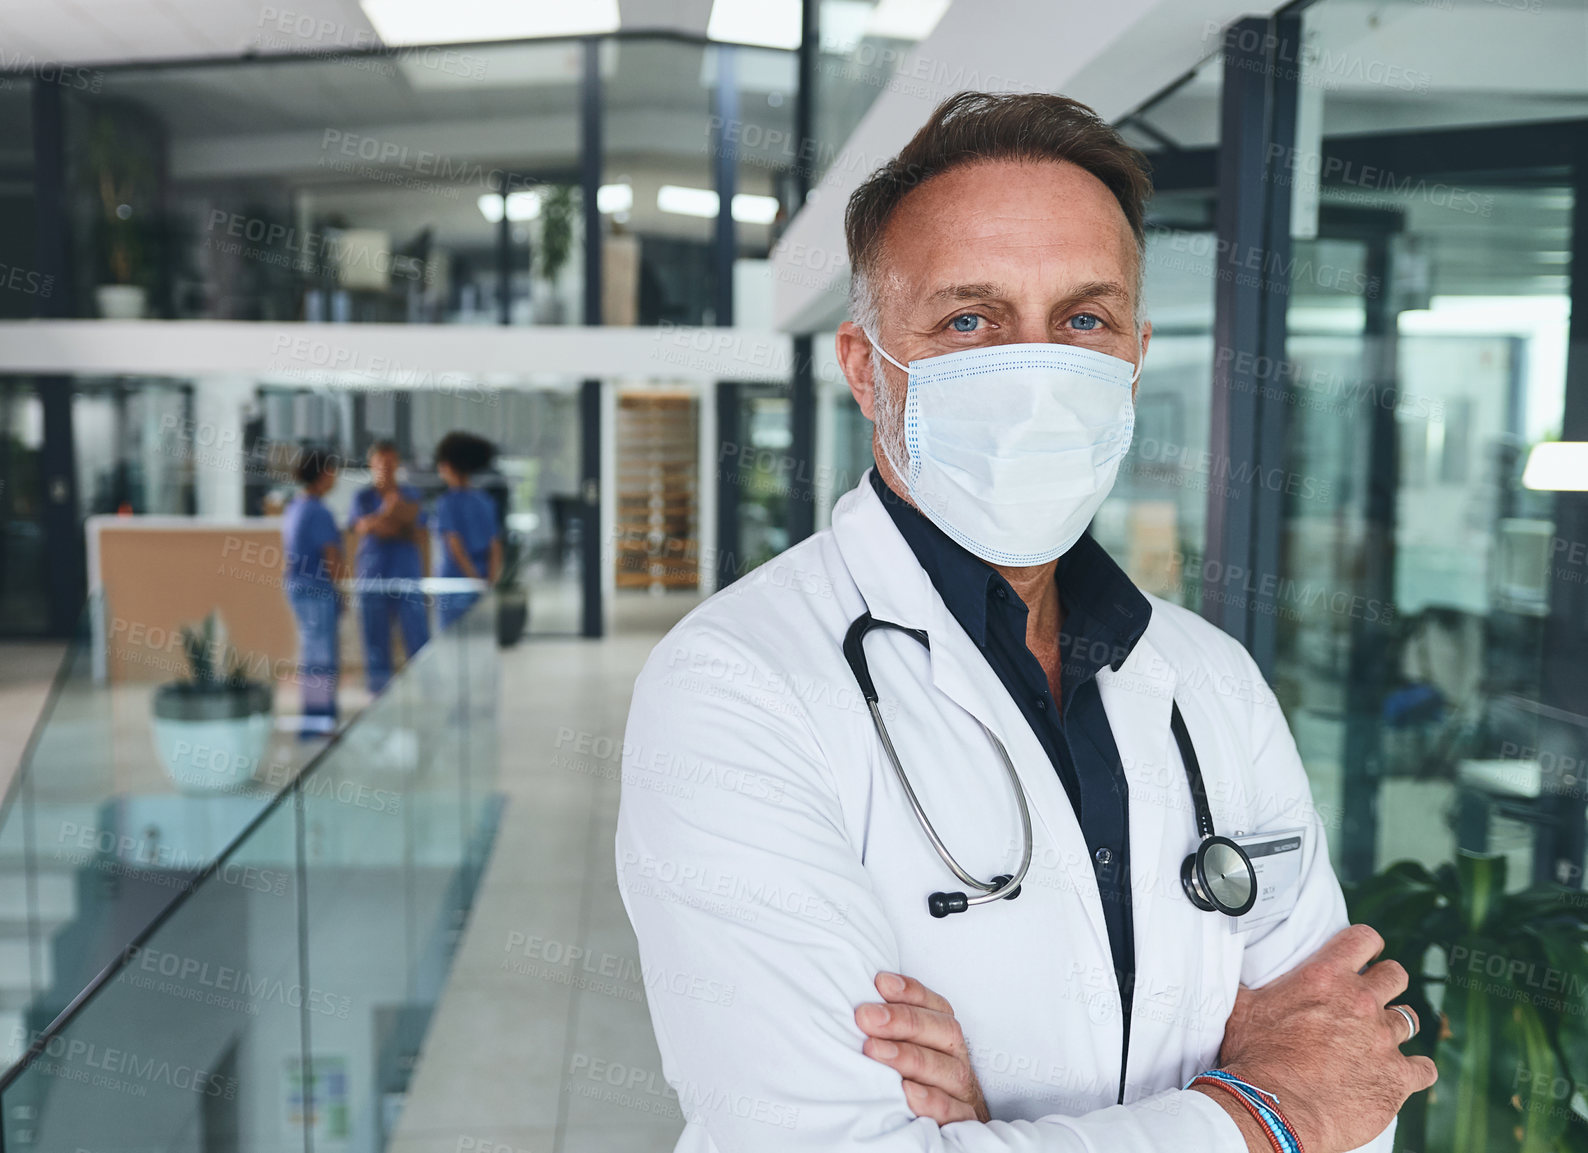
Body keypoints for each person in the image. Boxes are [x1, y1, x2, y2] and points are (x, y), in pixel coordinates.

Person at [615, 92, 1435, 1153]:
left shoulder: (1210, 679)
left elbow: (1355, 1093)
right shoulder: (735, 690)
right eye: (970, 320)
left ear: (1134, 356)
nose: (1040, 373)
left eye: (1082, 320)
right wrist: (1260, 1110)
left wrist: (999, 1123)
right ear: (867, 370)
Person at [348, 439, 430, 694]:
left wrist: (384, 522)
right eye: (380, 462)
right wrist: (390, 512)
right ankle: (379, 697)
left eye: (390, 462)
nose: (385, 467)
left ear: (397, 464)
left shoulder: (411, 494)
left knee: (418, 638)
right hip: (373, 579)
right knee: (375, 642)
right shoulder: (362, 497)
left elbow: (414, 529)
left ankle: (427, 693)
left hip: (407, 577)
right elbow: (364, 527)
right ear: (371, 465)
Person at [280, 449, 343, 737]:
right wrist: (342, 588)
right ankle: (318, 721)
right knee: (320, 657)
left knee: (313, 654)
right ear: (322, 473)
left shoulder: (296, 506)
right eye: (332, 470)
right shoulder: (318, 511)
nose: (336, 477)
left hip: (299, 588)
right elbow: (331, 558)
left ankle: (318, 718)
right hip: (315, 591)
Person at [431, 431, 503, 630]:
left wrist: (473, 581)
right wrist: (488, 582)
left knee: (453, 643)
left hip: (456, 584)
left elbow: (455, 546)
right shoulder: (485, 501)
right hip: (482, 580)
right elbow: (495, 545)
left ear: (448, 466)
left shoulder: (446, 503)